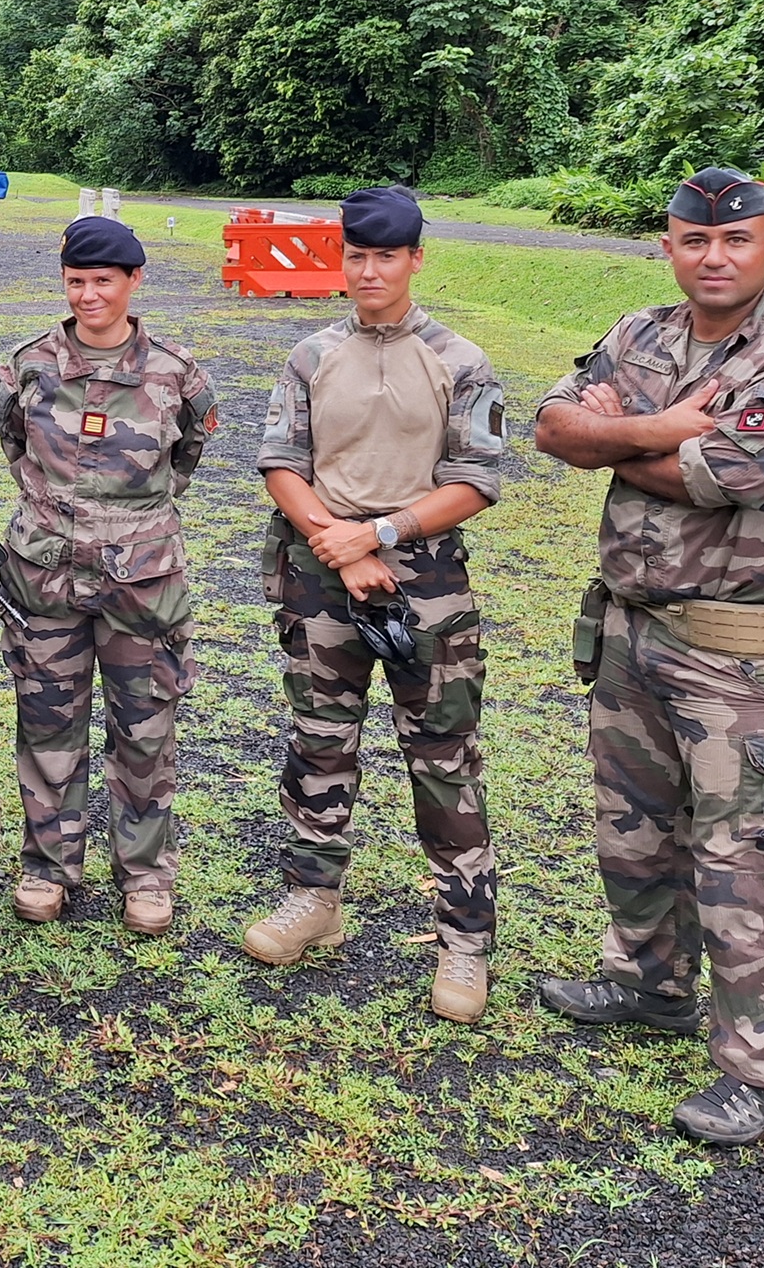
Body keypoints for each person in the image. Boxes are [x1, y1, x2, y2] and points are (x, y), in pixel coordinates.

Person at [532, 168, 764, 1146]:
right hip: (634, 628)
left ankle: (759, 1070)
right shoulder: (644, 334)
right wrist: (661, 427)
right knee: (632, 829)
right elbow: (554, 426)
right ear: (668, 245)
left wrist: (615, 440)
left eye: (735, 241)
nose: (713, 257)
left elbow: (725, 473)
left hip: (740, 653)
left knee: (742, 857)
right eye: (693, 241)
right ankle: (649, 985)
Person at [245, 185, 507, 1024]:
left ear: (414, 259)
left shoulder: (459, 360)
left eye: (384, 256)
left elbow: (476, 481)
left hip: (424, 584)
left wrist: (380, 535)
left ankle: (463, 941)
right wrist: (336, 540)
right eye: (355, 256)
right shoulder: (312, 354)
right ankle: (313, 899)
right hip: (321, 579)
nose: (368, 270)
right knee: (319, 744)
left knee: (442, 759)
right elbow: (282, 459)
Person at [0, 215, 215, 933]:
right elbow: (13, 443)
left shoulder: (177, 374)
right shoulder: (28, 366)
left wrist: (125, 524)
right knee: (47, 722)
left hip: (142, 581)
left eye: (103, 280)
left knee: (144, 728)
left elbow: (185, 461)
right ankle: (48, 867)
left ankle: (145, 876)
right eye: (76, 280)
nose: (89, 294)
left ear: (134, 281)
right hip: (45, 576)